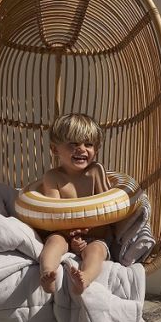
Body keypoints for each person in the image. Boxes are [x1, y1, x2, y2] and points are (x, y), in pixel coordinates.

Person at [38, 113, 113, 295]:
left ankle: (85, 278)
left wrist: (88, 231)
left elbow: (109, 208)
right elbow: (53, 214)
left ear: (96, 149)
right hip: (63, 233)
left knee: (96, 251)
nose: (82, 149)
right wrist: (70, 237)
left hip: (95, 234)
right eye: (73, 144)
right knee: (54, 242)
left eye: (89, 144)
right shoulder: (52, 177)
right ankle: (48, 273)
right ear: (55, 149)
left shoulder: (96, 171)